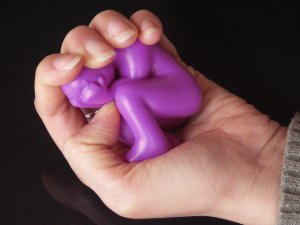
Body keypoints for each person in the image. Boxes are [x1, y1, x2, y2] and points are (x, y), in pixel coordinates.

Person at [34, 9, 300, 225]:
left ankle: (152, 142)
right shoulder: (113, 84)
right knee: (122, 120)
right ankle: (160, 141)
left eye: (87, 84)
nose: (86, 95)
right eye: (78, 97)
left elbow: (136, 76)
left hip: (183, 95)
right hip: (165, 110)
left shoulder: (126, 52)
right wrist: (270, 167)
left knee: (125, 92)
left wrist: (102, 95)